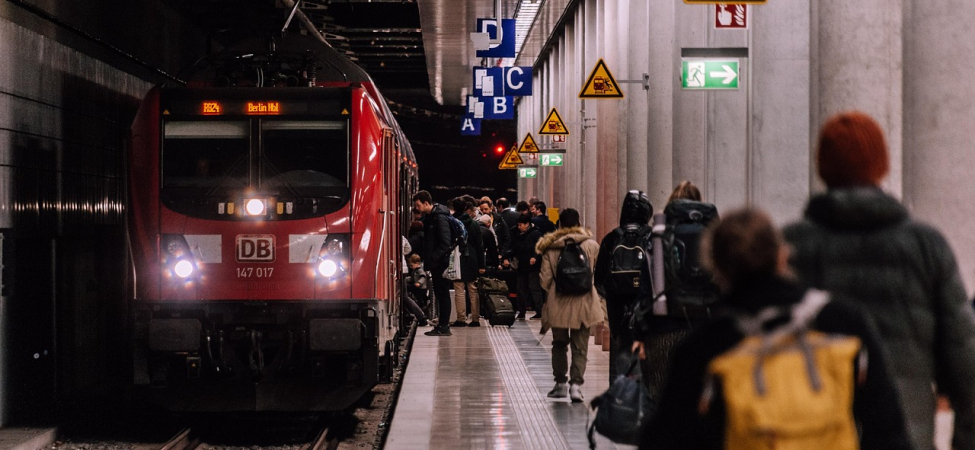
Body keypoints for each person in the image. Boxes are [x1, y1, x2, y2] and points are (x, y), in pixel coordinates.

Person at [640, 208, 911, 450]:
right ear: (782, 255)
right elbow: (887, 429)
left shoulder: (704, 346)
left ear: (718, 268)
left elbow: (665, 439)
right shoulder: (843, 322)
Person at [783, 111, 975, 450]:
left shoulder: (791, 247)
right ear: (881, 166)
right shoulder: (925, 247)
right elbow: (965, 363)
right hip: (904, 435)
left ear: (823, 168)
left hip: (810, 435)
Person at [631, 180, 716, 401]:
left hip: (663, 329)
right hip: (706, 330)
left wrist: (638, 335)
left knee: (660, 397)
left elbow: (647, 286)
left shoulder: (659, 236)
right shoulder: (715, 236)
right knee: (701, 398)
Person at [537, 208, 605, 403]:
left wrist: (555, 290)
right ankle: (576, 386)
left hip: (558, 302)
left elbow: (544, 279)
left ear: (559, 225)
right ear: (579, 224)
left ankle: (560, 384)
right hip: (585, 302)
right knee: (580, 346)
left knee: (559, 344)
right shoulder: (592, 245)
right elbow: (598, 275)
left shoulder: (551, 248)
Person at [593, 190, 653, 382]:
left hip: (617, 308)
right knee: (647, 353)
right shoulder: (651, 237)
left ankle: (619, 395)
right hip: (646, 307)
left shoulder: (612, 238)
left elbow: (599, 278)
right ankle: (643, 398)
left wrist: (614, 296)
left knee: (620, 350)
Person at [412, 190, 454, 336]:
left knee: (443, 294)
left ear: (425, 203)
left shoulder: (439, 218)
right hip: (437, 262)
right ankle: (442, 325)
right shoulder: (432, 217)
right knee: (441, 294)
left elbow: (445, 243)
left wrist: (433, 259)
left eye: (418, 205)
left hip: (440, 263)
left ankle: (444, 326)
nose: (416, 208)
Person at [450, 198, 485, 327]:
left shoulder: (450, 222)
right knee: (473, 289)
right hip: (472, 259)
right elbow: (479, 246)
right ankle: (475, 319)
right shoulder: (474, 224)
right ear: (466, 208)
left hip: (456, 259)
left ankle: (461, 319)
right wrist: (482, 265)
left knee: (459, 289)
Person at [505, 214, 544, 320]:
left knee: (534, 288)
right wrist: (505, 255)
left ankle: (540, 311)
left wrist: (535, 257)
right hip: (522, 265)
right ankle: (521, 311)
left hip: (533, 266)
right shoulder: (518, 234)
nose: (519, 227)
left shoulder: (536, 233)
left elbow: (541, 247)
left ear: (527, 224)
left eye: (521, 225)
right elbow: (515, 248)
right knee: (520, 289)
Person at [401, 237, 427, 327]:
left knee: (404, 297)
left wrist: (418, 283)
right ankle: (420, 316)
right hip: (402, 269)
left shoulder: (419, 271)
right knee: (404, 296)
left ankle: (421, 317)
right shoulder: (402, 238)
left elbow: (422, 277)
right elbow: (408, 248)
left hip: (399, 269)